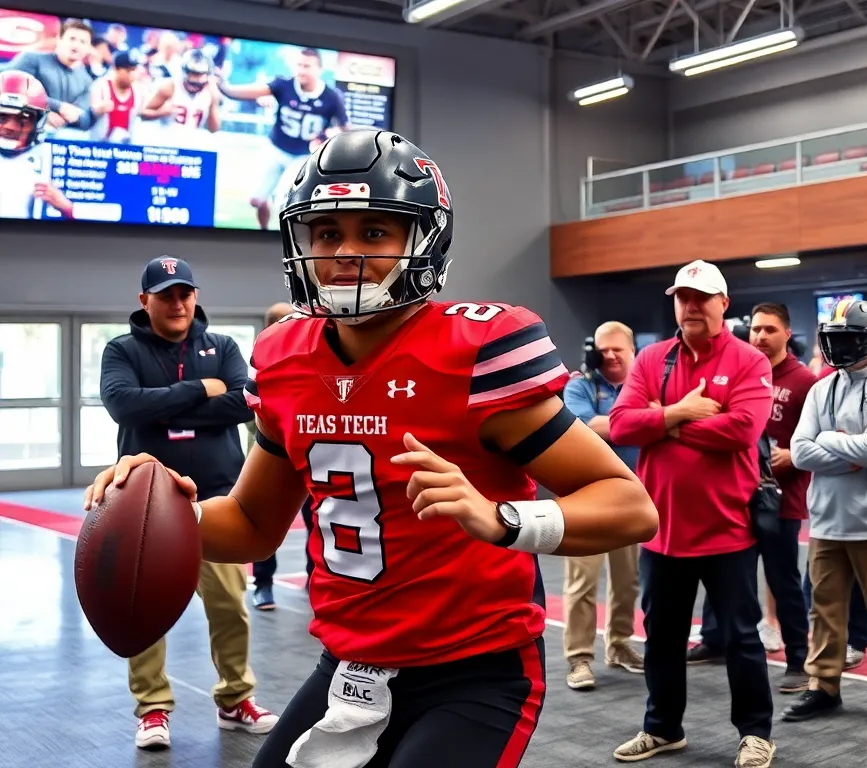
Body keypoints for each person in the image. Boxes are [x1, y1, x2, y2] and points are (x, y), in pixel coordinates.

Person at [85, 129, 658, 768]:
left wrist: (499, 518)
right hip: (349, 665)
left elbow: (630, 507)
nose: (345, 253)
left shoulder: (475, 352)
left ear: (423, 239)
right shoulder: (285, 357)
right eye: (327, 234)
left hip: (472, 670)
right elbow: (251, 526)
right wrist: (159, 512)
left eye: (375, 233)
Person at [99, 255, 276, 749]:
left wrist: (164, 405)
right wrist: (199, 390)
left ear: (195, 297)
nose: (177, 303)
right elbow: (123, 405)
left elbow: (243, 401)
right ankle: (153, 709)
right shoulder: (122, 349)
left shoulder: (222, 345)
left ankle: (234, 699)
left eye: (185, 293)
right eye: (165, 295)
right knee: (144, 609)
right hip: (148, 509)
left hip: (217, 502)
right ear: (145, 301)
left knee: (229, 608)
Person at [608, 259, 777, 768]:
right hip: (662, 531)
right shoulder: (653, 359)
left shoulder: (749, 360)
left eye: (701, 298)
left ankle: (755, 733)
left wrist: (658, 423)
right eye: (683, 297)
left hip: (728, 531)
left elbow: (743, 430)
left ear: (723, 304)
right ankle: (662, 728)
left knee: (743, 638)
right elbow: (620, 425)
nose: (691, 306)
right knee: (662, 638)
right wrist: (679, 414)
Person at [785, 298, 867, 729]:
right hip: (825, 520)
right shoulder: (822, 388)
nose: (839, 348)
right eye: (834, 339)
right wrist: (848, 448)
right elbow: (801, 453)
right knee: (823, 609)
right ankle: (823, 686)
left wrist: (830, 441)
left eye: (849, 339)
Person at [693, 302, 813, 695]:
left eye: (770, 330)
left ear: (786, 334)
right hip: (735, 493)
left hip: (781, 496)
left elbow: (814, 435)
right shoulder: (741, 369)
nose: (760, 336)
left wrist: (795, 455)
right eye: (756, 329)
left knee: (783, 580)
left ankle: (798, 659)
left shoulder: (803, 381)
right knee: (725, 573)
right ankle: (714, 639)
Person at [560, 321, 646, 690]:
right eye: (603, 349)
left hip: (631, 495)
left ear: (632, 351)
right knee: (583, 580)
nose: (609, 355)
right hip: (586, 496)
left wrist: (642, 420)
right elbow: (584, 426)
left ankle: (620, 644)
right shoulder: (580, 385)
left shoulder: (643, 385)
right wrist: (647, 420)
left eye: (617, 349)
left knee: (628, 580)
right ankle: (579, 656)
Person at [216, 48, 350, 229]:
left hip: (303, 156)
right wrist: (224, 87)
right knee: (257, 200)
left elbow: (345, 130)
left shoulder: (332, 97)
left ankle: (285, 239)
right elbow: (240, 92)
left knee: (284, 199)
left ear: (319, 69)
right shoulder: (284, 85)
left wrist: (331, 135)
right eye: (299, 65)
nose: (301, 70)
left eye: (307, 66)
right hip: (276, 147)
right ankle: (263, 232)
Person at [248, 301, 303, 611]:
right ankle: (264, 584)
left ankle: (314, 576)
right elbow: (236, 406)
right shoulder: (263, 361)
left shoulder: (312, 359)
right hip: (270, 456)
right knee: (263, 522)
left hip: (313, 457)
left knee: (320, 517)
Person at [0, 72, 74, 220]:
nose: (10, 127)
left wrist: (67, 209)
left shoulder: (53, 161)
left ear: (37, 124)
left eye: (23, 119)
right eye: (2, 117)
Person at [1, 17, 95, 133]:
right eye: (72, 39)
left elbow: (85, 119)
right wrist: (51, 109)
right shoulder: (31, 59)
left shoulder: (86, 80)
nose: (76, 45)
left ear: (88, 48)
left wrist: (74, 117)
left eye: (83, 42)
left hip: (59, 137)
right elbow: (11, 91)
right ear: (59, 39)